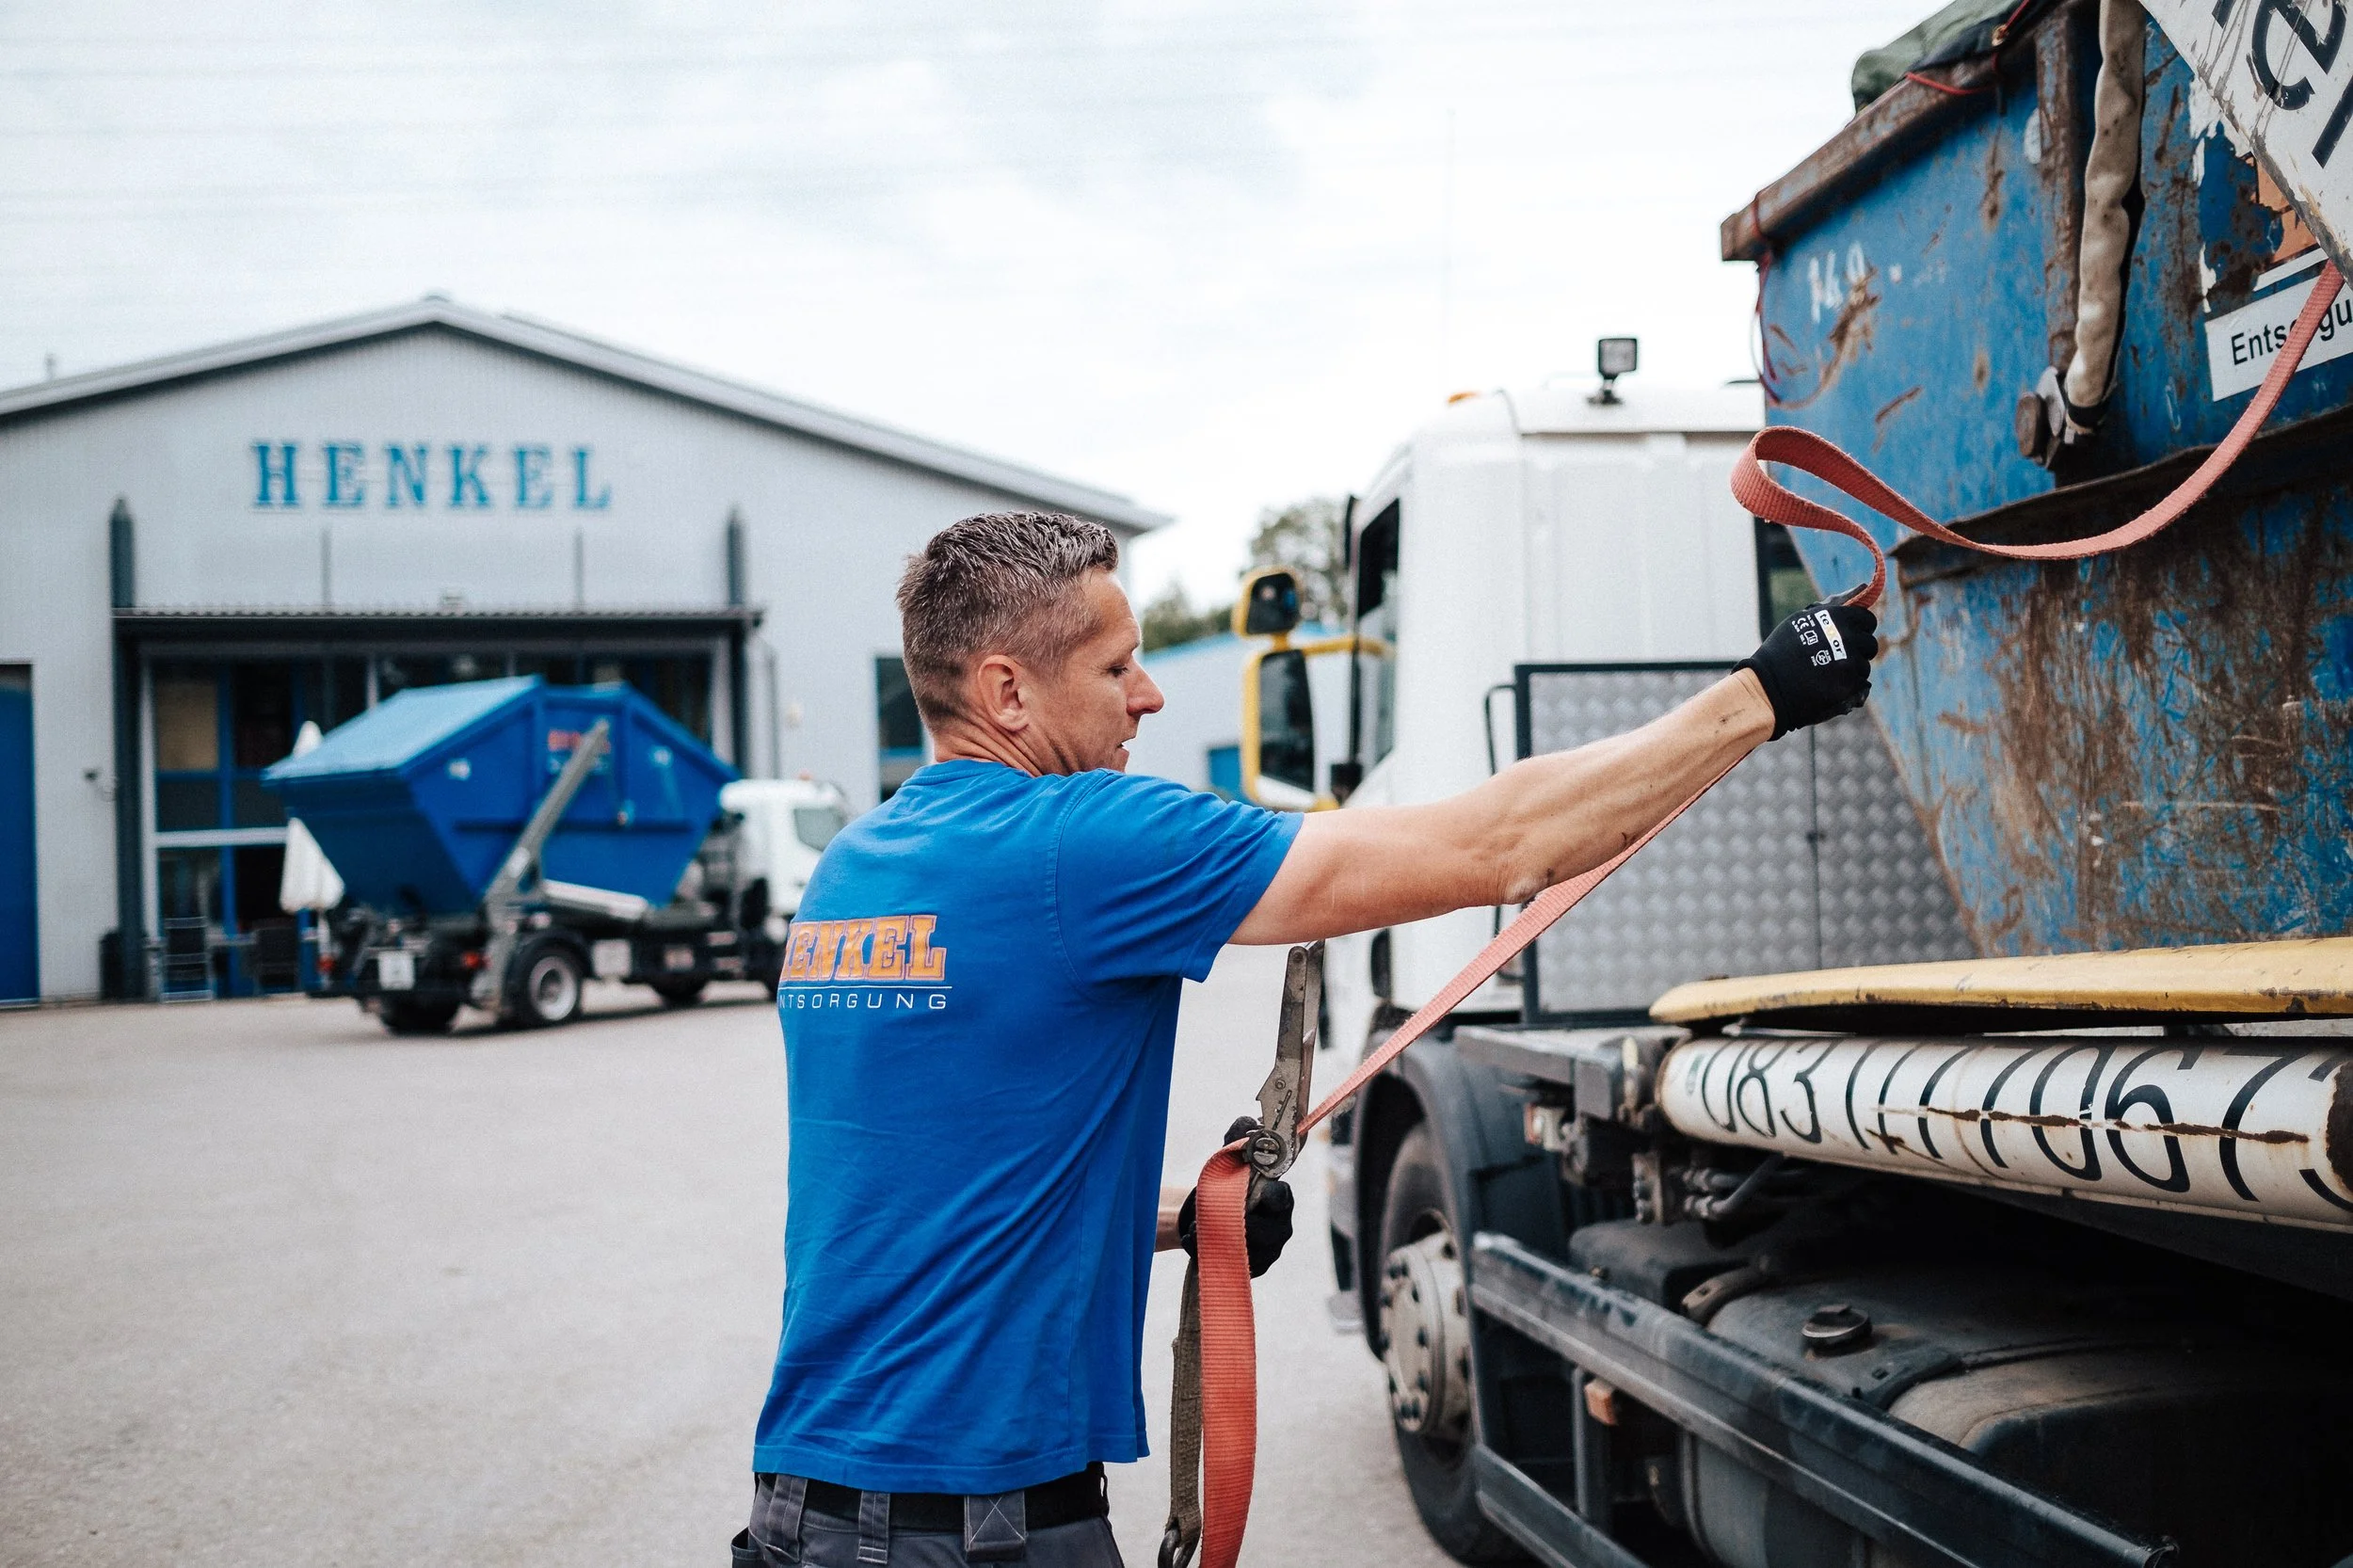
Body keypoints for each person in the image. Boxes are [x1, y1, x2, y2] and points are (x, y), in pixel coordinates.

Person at [734, 511, 1874, 1567]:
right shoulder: (1079, 844)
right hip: (977, 1525)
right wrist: (1763, 693)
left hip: (801, 1506)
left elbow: (926, 1186)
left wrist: (1185, 1219)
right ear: (1007, 692)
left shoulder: (852, 875)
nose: (1149, 698)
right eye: (1115, 667)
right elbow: (1506, 842)